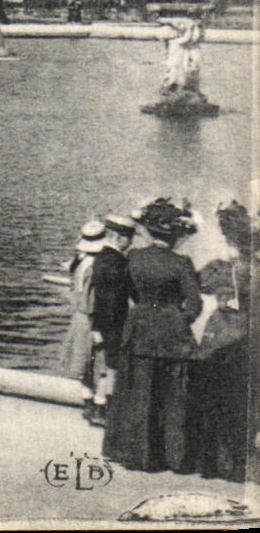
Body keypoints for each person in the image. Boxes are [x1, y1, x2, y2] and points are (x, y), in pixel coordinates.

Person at [101, 198, 202, 474]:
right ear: (177, 236)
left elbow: (128, 293)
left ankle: (134, 453)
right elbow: (195, 305)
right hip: (173, 335)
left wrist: (145, 308)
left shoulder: (134, 258)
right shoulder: (181, 263)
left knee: (138, 391)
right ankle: (173, 456)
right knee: (171, 396)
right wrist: (176, 318)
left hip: (139, 330)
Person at [185, 201, 251, 482]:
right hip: (250, 334)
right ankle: (238, 465)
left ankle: (209, 463)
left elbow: (195, 284)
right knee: (241, 402)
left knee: (212, 399)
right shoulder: (252, 267)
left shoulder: (221, 269)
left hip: (221, 335)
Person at [87, 215, 135, 427]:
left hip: (103, 322)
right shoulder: (116, 262)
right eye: (128, 237)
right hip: (114, 322)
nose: (131, 242)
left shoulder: (102, 257)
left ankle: (97, 407)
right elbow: (111, 299)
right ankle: (103, 409)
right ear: (118, 238)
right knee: (112, 367)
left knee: (105, 366)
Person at [59, 221, 108, 420]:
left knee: (83, 364)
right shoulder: (96, 267)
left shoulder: (79, 262)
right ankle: (99, 406)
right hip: (91, 317)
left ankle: (87, 402)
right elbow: (93, 299)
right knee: (102, 364)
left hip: (78, 316)